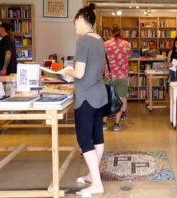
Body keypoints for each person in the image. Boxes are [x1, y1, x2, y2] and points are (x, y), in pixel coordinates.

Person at [62, 3, 107, 197]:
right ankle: (92, 174)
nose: (74, 26)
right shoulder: (99, 40)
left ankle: (97, 184)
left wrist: (66, 71)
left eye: (74, 22)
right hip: (99, 94)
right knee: (97, 136)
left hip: (86, 97)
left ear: (81, 19)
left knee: (83, 139)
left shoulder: (83, 41)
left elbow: (79, 73)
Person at [102, 27, 132, 131]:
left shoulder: (105, 44)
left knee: (107, 99)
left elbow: (102, 58)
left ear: (110, 32)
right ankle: (117, 124)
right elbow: (129, 56)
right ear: (121, 33)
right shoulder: (127, 44)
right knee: (120, 100)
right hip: (122, 76)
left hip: (109, 76)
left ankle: (104, 124)